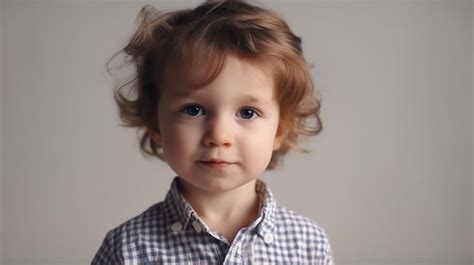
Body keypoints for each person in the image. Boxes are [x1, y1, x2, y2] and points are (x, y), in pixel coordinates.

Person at [92, 0, 334, 264]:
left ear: (279, 130)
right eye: (193, 110)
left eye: (247, 113)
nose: (219, 136)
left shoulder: (308, 245)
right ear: (155, 123)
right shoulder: (127, 248)